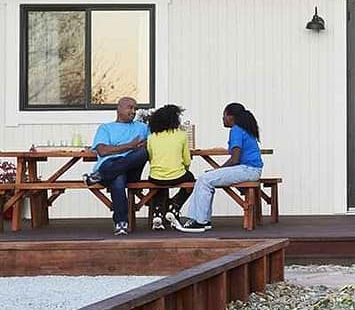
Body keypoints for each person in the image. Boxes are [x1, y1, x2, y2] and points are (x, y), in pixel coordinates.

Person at [168, 102, 263, 233]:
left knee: (205, 179)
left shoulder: (236, 129)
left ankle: (200, 221)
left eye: (224, 115)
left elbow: (235, 159)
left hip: (248, 169)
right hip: (252, 170)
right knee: (206, 178)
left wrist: (217, 170)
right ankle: (203, 220)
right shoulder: (244, 129)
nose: (222, 118)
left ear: (231, 116)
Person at [83, 97, 150, 236]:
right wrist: (129, 146)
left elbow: (153, 144)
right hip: (110, 165)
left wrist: (146, 144)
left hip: (131, 170)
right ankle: (121, 222)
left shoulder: (142, 127)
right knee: (118, 178)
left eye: (135, 109)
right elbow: (102, 150)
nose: (133, 111)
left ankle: (98, 176)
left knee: (142, 153)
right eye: (130, 108)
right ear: (119, 109)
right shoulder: (106, 128)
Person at [145, 104, 194, 231]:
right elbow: (187, 160)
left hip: (155, 176)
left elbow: (150, 158)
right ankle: (174, 206)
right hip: (177, 175)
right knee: (192, 181)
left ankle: (158, 212)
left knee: (159, 184)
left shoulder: (151, 137)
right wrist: (185, 169)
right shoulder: (181, 135)